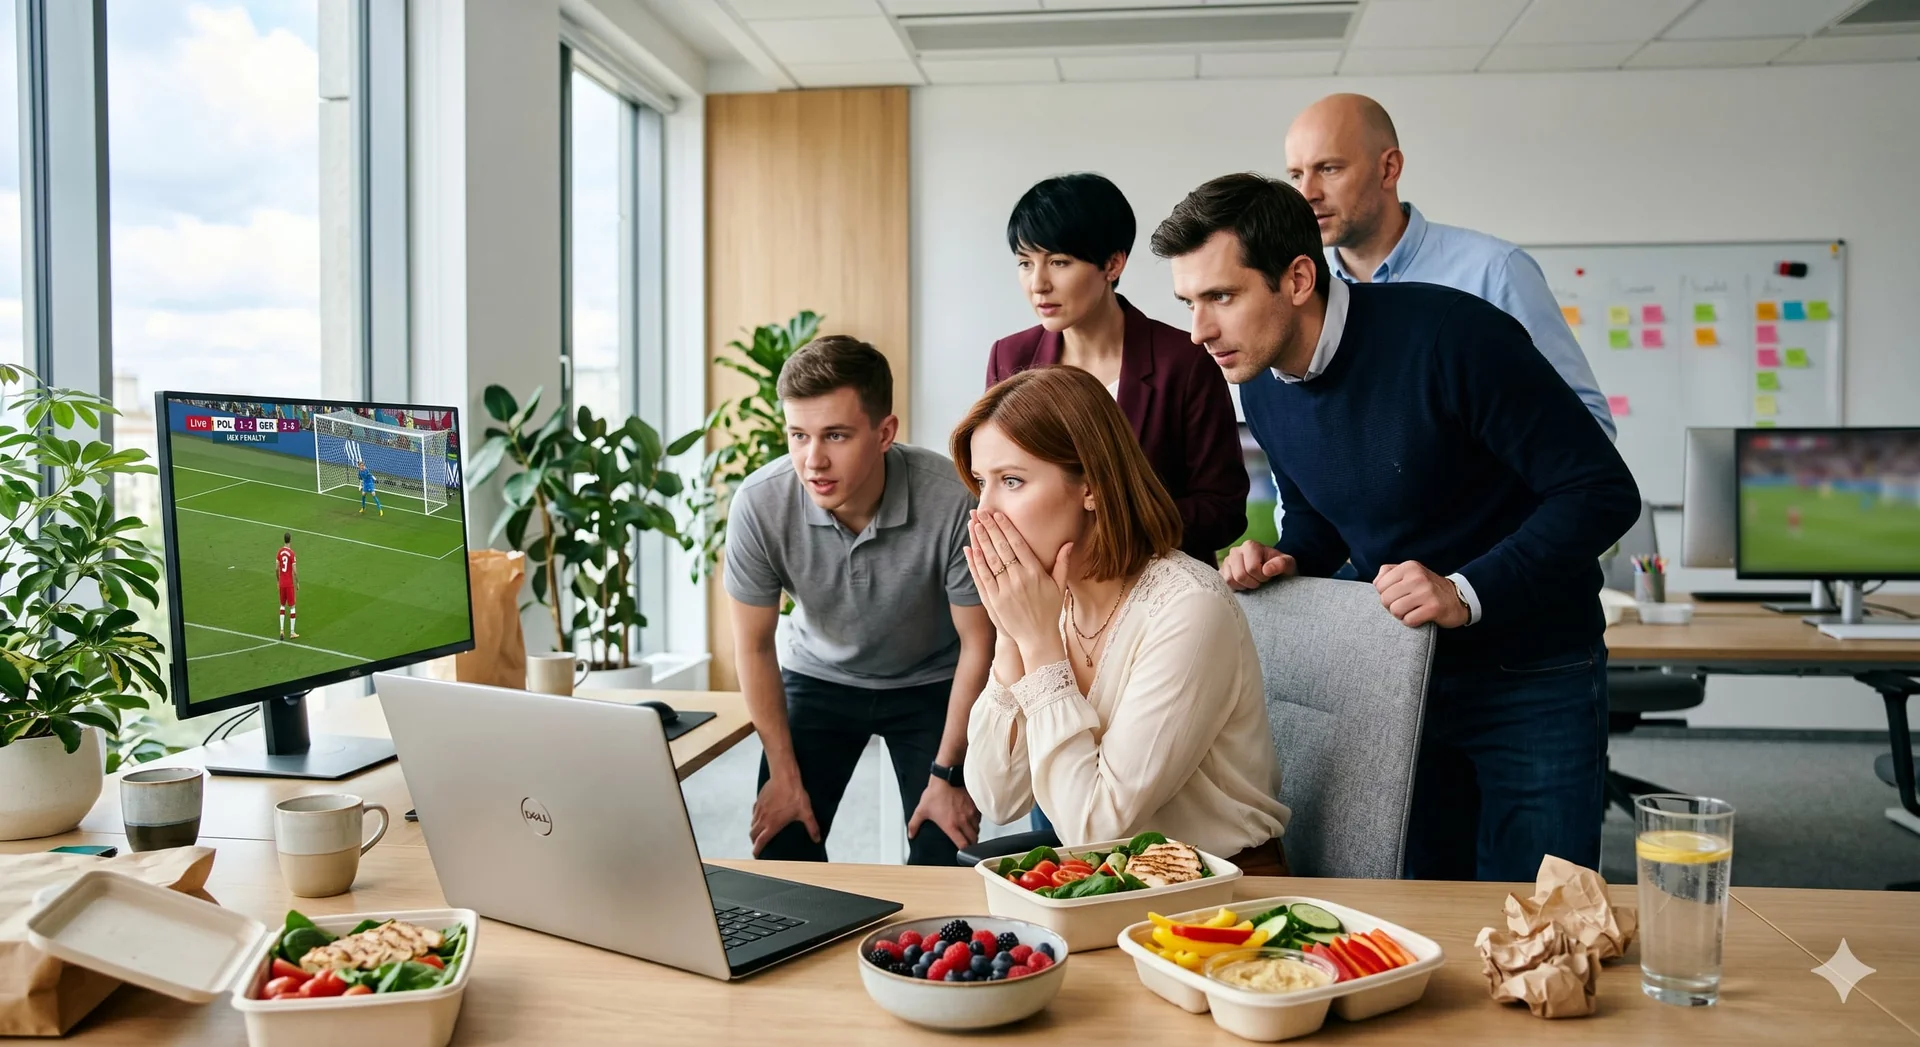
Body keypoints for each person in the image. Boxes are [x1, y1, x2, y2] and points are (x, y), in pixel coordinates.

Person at [1150, 173, 1640, 882]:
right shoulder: (1258, 382)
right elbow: (1322, 514)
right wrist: (1289, 556)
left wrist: (1467, 589)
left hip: (1532, 672)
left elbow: (1600, 492)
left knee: (1539, 918)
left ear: (1295, 278)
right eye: (1189, 303)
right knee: (1418, 913)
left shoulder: (1453, 337)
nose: (1198, 332)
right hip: (1401, 673)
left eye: (1221, 297)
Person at [954, 365, 1290, 873]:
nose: (985, 512)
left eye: (1013, 481)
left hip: (1221, 904)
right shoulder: (1050, 604)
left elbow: (1095, 827)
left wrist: (1039, 646)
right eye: (982, 483)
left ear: (1090, 486)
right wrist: (1010, 642)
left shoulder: (1188, 608)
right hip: (1109, 895)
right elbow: (997, 800)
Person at [725, 336, 992, 867]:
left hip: (931, 682)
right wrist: (782, 774)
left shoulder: (951, 499)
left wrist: (945, 775)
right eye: (797, 435)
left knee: (948, 852)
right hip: (820, 676)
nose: (812, 459)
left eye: (836, 435)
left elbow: (978, 644)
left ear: (884, 432)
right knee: (782, 846)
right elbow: (753, 647)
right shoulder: (759, 504)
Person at [1284, 93, 1614, 439]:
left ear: (1389, 169)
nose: (1306, 193)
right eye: (1296, 175)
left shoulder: (1493, 272)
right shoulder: (1305, 293)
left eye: (1329, 168)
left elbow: (1588, 424)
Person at [988, 173, 1249, 565]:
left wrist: (1116, 529)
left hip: (1160, 590)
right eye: (1025, 263)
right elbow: (997, 484)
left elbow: (1223, 510)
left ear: (1112, 263)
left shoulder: (1184, 361)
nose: (1038, 284)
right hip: (1050, 587)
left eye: (1059, 262)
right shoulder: (1009, 357)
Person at [275, 533, 299, 640]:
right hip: (289, 584)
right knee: (292, 607)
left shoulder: (279, 552)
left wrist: (278, 580)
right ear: (290, 540)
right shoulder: (292, 553)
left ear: (284, 540)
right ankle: (292, 632)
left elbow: (276, 568)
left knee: (282, 606)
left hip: (281, 583)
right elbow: (294, 570)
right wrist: (297, 582)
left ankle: (281, 630)